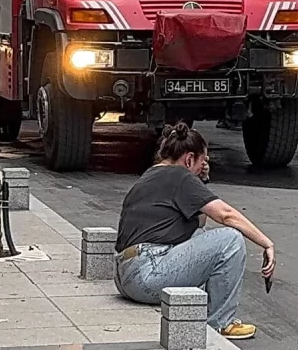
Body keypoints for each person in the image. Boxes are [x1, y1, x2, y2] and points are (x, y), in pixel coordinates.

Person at [114, 123, 275, 341]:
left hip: (125, 276)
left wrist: (200, 181)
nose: (204, 167)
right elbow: (226, 215)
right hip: (146, 275)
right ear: (189, 159)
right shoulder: (180, 176)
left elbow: (199, 222)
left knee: (201, 235)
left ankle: (206, 312)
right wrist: (266, 243)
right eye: (203, 161)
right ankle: (221, 323)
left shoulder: (150, 176)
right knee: (231, 240)